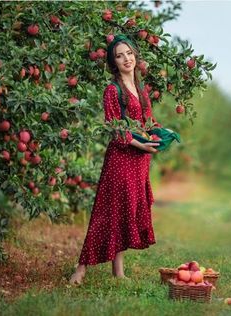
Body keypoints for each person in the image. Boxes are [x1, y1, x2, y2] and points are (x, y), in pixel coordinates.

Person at [69, 34, 161, 285]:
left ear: (135, 55)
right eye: (119, 56)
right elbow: (114, 127)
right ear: (113, 62)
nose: (126, 59)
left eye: (129, 53)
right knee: (107, 212)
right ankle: (81, 268)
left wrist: (159, 135)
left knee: (126, 212)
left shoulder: (141, 90)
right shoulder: (113, 90)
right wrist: (140, 143)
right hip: (121, 157)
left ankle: (118, 271)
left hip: (140, 160)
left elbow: (148, 122)